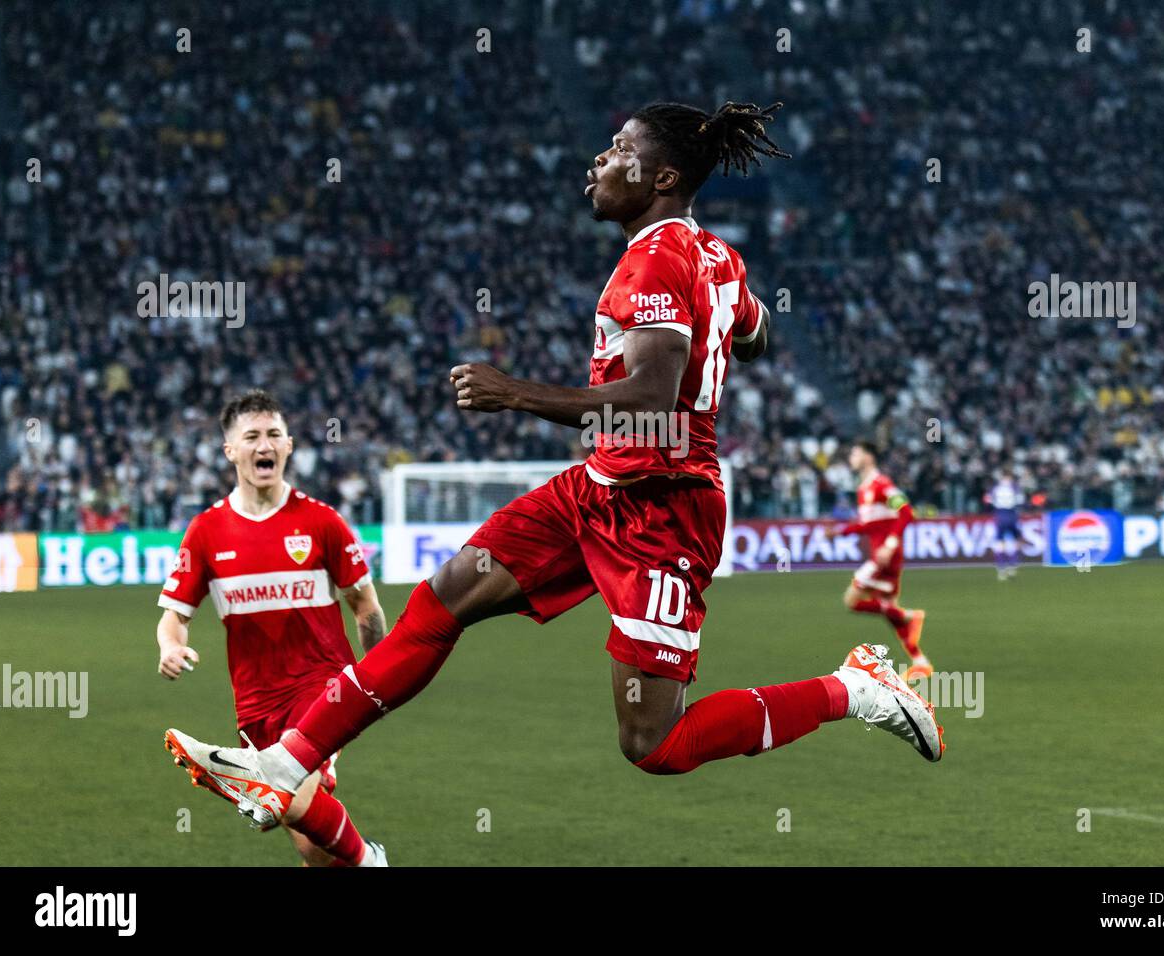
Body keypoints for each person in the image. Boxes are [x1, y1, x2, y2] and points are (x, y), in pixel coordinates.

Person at [164, 102, 942, 833]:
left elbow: (653, 398)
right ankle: (284, 764)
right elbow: (759, 334)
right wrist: (722, 326)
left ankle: (855, 689)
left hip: (662, 514)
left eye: (621, 152)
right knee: (441, 602)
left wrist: (514, 393)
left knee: (654, 744)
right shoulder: (713, 257)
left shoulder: (657, 264)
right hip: (598, 489)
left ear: (661, 178)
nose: (601, 160)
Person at [159, 389, 388, 865]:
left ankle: (369, 863)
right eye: (252, 437)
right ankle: (347, 850)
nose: (264, 445)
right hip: (256, 704)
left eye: (274, 435)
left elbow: (366, 608)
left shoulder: (322, 522)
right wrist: (170, 647)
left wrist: (380, 677)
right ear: (231, 451)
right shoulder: (206, 532)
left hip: (323, 686)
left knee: (292, 792)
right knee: (308, 836)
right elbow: (174, 617)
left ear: (288, 446)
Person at [838, 441, 931, 680]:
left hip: (885, 557)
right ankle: (920, 661)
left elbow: (906, 511)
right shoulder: (863, 489)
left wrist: (889, 545)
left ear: (868, 457)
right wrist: (842, 531)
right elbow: (870, 524)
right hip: (880, 555)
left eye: (855, 452)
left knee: (851, 599)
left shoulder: (882, 484)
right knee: (888, 610)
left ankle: (910, 615)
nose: (851, 457)